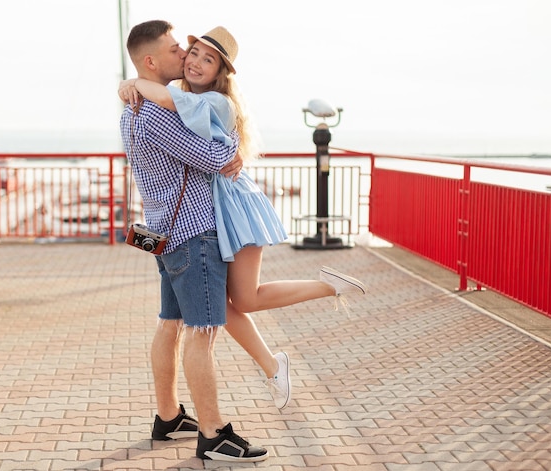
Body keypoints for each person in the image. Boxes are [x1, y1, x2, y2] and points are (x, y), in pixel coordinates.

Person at [119, 26, 367, 411]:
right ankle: (272, 364)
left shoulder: (205, 103)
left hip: (233, 210)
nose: (190, 59)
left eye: (205, 58)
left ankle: (322, 294)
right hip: (196, 223)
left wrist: (133, 81)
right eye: (188, 52)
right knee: (227, 305)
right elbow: (195, 133)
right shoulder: (170, 103)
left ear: (220, 72)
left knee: (236, 303)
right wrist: (134, 82)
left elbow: (213, 152)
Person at [120, 20, 268, 462]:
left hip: (162, 232)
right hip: (193, 233)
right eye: (173, 51)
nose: (183, 57)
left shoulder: (132, 106)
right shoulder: (158, 112)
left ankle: (169, 416)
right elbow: (217, 158)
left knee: (171, 323)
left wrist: (131, 84)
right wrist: (232, 148)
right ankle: (214, 434)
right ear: (150, 62)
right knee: (203, 333)